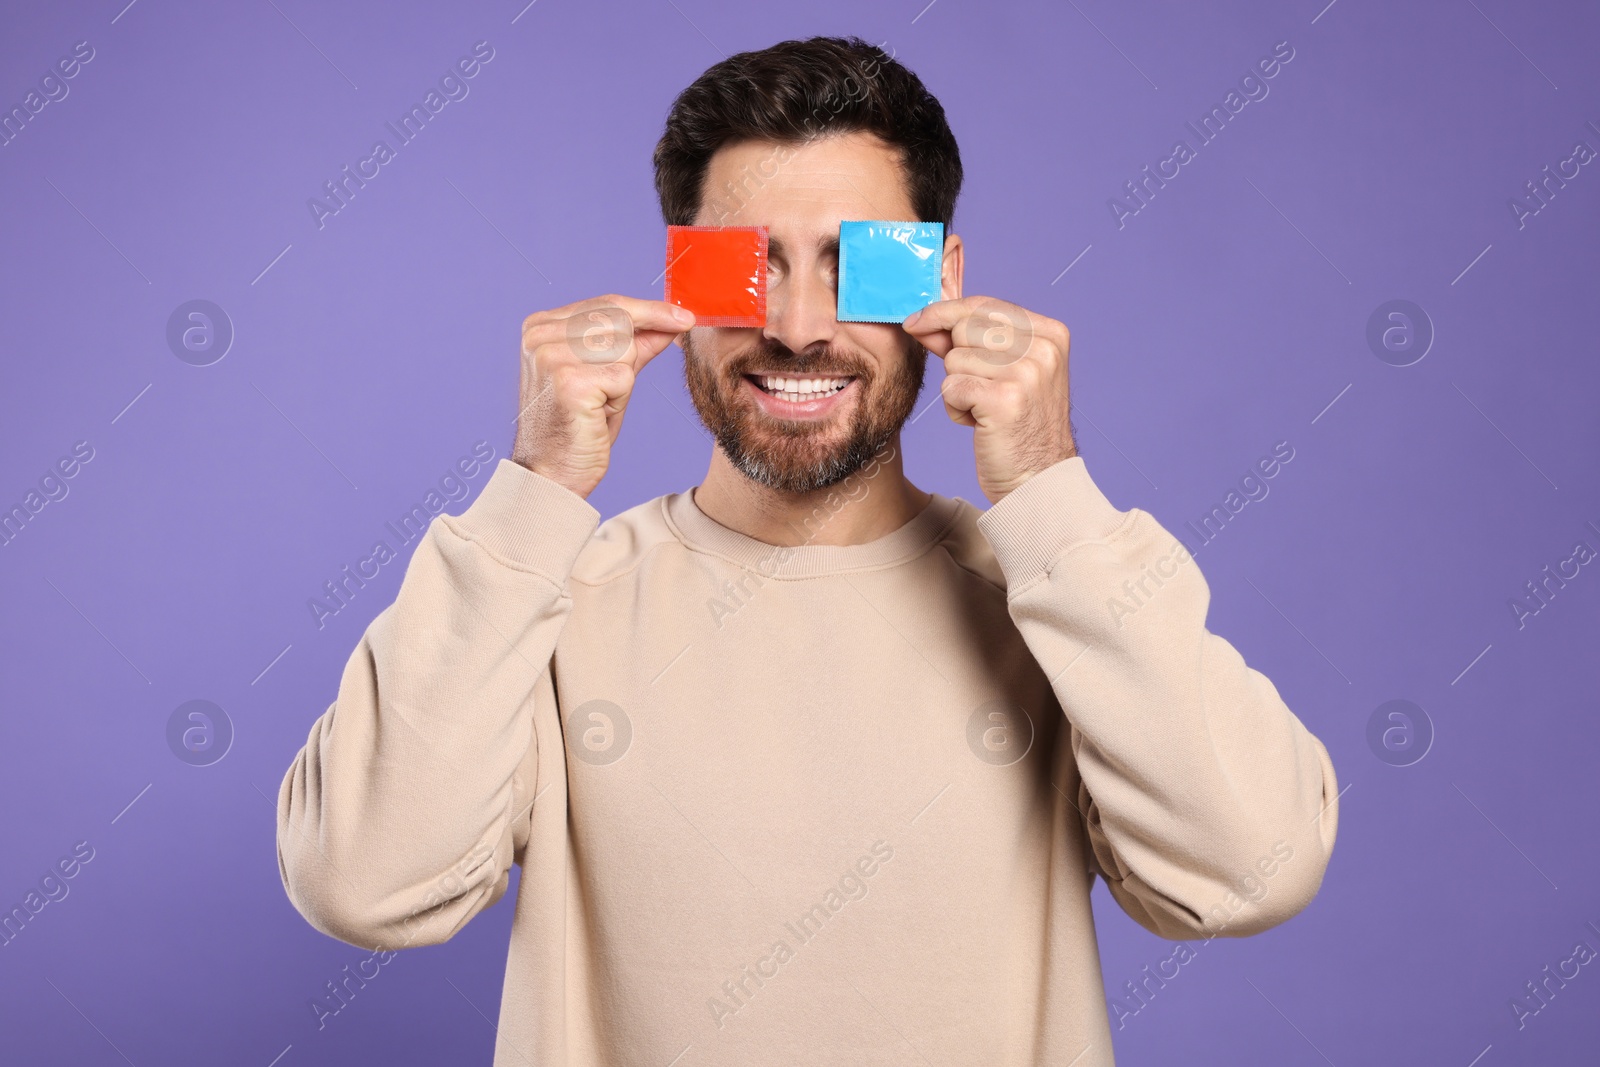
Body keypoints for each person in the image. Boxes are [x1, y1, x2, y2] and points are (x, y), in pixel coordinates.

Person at [276, 34, 1339, 1066]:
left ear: (942, 279)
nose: (795, 325)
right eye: (745, 265)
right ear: (677, 281)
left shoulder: (1057, 599)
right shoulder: (551, 601)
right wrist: (533, 490)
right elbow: (361, 883)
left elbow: (1250, 870)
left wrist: (1050, 488)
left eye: (854, 266)